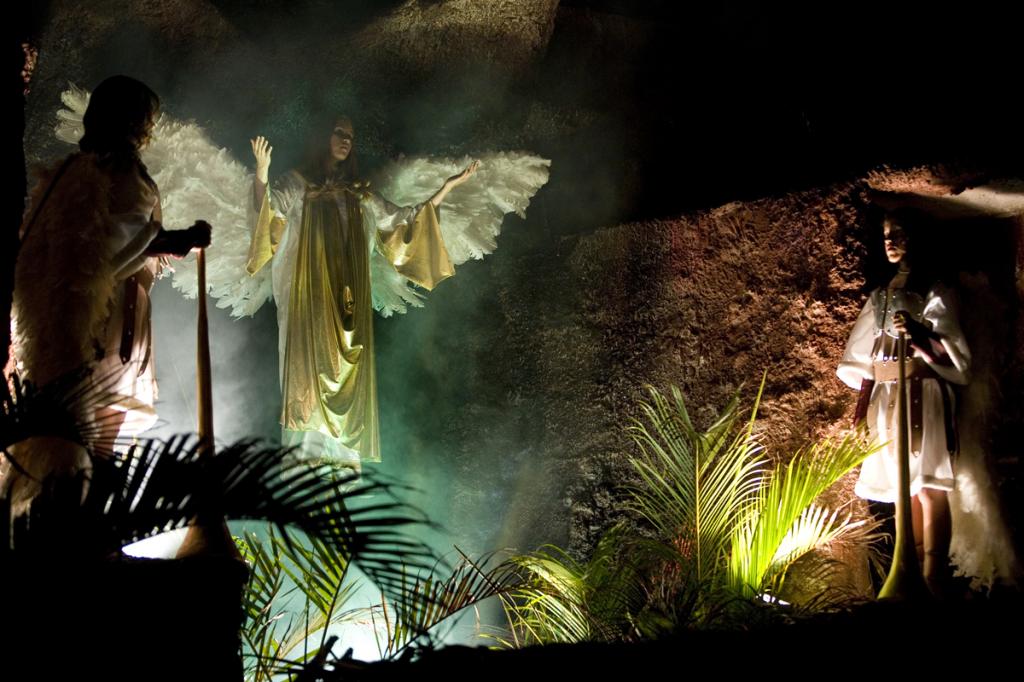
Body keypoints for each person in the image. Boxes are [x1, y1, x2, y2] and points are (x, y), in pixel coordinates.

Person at [4, 75, 210, 507]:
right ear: (123, 119)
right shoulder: (94, 174)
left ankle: (90, 523)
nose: (148, 129)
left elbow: (126, 241)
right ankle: (80, 526)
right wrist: (174, 240)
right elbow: (101, 248)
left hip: (122, 315)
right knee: (90, 431)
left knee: (103, 434)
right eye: (143, 119)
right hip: (100, 320)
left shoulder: (100, 170)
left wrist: (166, 243)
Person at [247, 117, 478, 471]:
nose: (346, 141)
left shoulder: (361, 194)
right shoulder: (298, 184)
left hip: (347, 308)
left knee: (347, 379)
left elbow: (404, 222)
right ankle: (302, 470)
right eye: (339, 133)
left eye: (351, 137)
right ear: (322, 136)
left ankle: (341, 471)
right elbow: (266, 218)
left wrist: (446, 189)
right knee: (306, 377)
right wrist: (262, 172)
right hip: (308, 302)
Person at [837, 208, 970, 594]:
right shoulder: (880, 295)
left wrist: (917, 333)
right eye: (886, 235)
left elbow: (954, 353)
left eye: (898, 232)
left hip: (922, 394)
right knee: (903, 487)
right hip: (887, 399)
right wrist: (864, 405)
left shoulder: (934, 289)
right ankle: (907, 575)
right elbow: (862, 358)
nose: (890, 241)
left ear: (917, 237)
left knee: (928, 485)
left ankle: (934, 578)